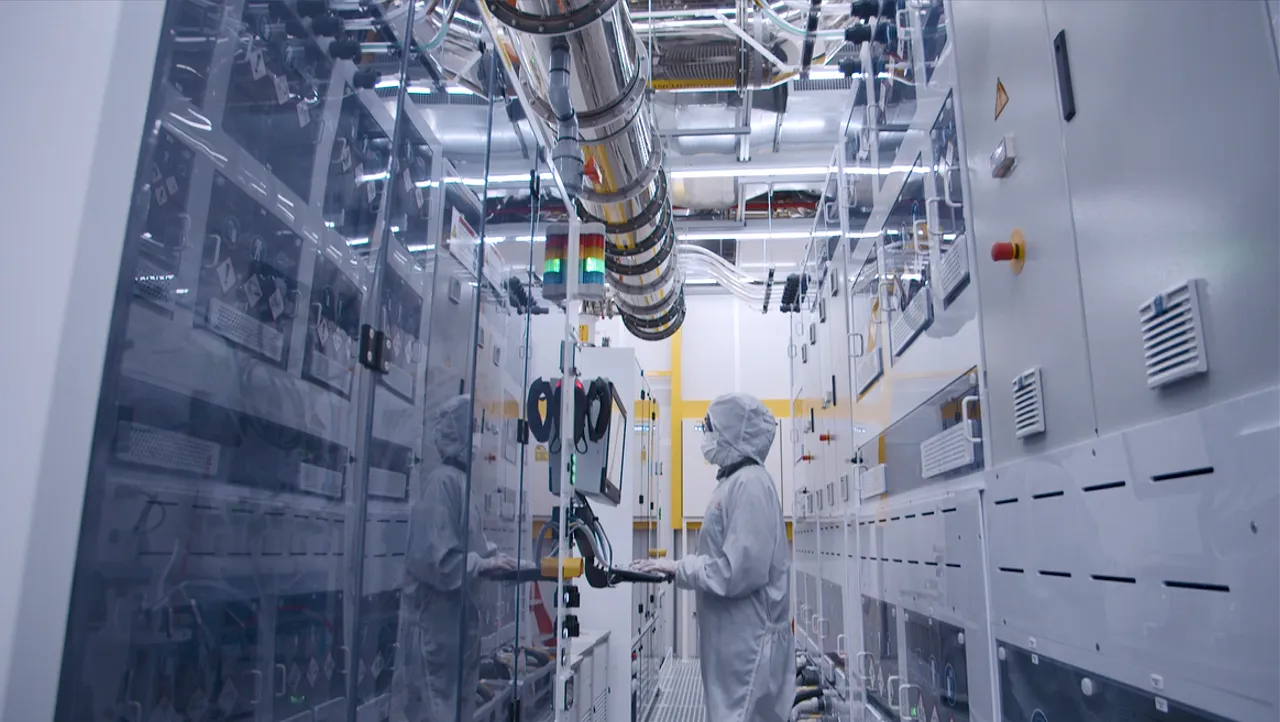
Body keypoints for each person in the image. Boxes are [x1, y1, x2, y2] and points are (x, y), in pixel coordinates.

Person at [635, 393, 795, 721]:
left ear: (734, 432)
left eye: (711, 428)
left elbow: (736, 572)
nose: (706, 436)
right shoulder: (734, 482)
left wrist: (679, 568)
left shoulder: (750, 484)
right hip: (735, 646)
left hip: (748, 650)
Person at [391, 394, 517, 722]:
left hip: (456, 632)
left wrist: (496, 558)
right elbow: (440, 561)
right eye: (472, 429)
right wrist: (484, 563)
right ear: (457, 434)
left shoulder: (461, 483)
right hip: (434, 631)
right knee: (434, 711)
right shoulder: (441, 483)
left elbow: (470, 544)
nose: (476, 438)